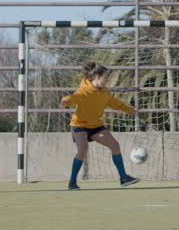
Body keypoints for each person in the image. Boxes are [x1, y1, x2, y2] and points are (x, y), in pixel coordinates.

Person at [60, 62, 140, 190]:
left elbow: (115, 103)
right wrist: (66, 100)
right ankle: (72, 182)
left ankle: (124, 178)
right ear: (97, 77)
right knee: (82, 150)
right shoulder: (84, 91)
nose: (107, 80)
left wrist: (128, 109)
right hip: (80, 125)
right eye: (105, 77)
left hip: (96, 126)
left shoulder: (104, 93)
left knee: (115, 145)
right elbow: (74, 97)